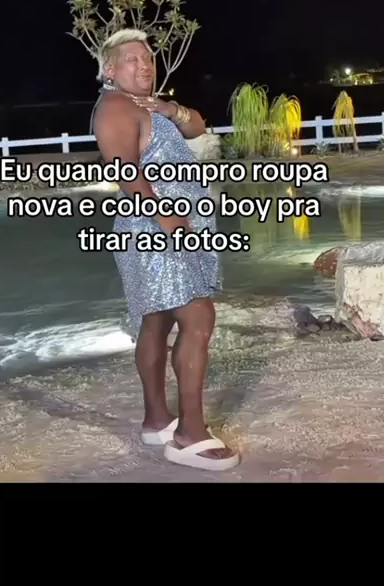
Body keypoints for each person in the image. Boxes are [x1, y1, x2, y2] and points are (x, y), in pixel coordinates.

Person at [93, 28, 240, 472]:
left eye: (148, 58)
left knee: (156, 321)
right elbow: (124, 170)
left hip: (166, 226)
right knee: (198, 317)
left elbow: (197, 127)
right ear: (110, 69)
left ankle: (157, 421)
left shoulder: (144, 105)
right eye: (132, 59)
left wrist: (169, 108)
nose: (144, 64)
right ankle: (189, 434)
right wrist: (167, 219)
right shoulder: (115, 107)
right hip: (156, 229)